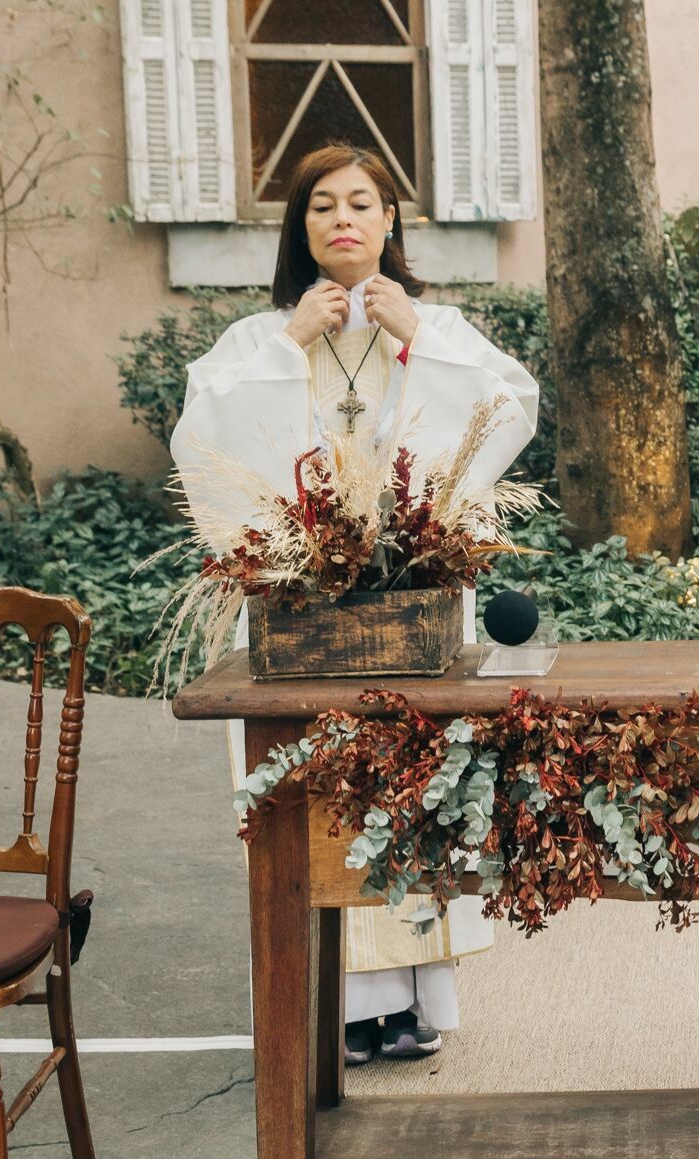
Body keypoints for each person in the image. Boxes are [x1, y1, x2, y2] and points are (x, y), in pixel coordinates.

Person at [171, 143, 538, 1065]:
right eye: (323, 206)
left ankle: (411, 1003)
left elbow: (509, 409)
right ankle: (336, 1007)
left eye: (362, 203)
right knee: (319, 794)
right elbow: (207, 437)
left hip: (401, 604)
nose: (343, 218)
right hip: (302, 611)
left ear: (389, 223)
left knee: (408, 787)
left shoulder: (435, 324)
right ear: (301, 230)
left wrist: (417, 337)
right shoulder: (257, 340)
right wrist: (289, 347)